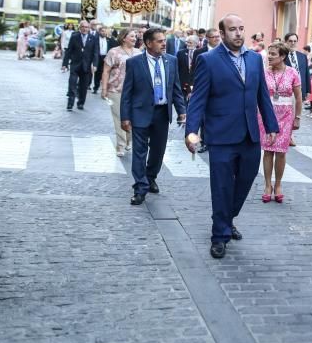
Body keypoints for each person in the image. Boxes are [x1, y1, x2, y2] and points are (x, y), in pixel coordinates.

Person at [185, 14, 278, 259]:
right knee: (222, 186)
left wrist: (271, 125)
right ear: (223, 34)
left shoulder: (255, 59)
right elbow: (198, 100)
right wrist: (191, 131)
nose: (238, 33)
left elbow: (262, 95)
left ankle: (227, 218)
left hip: (250, 135)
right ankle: (219, 236)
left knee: (245, 182)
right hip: (221, 136)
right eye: (233, 30)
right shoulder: (208, 60)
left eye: (241, 28)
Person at [121, 28, 186, 205]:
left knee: (158, 151)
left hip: (162, 113)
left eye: (164, 40)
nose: (164, 43)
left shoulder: (171, 61)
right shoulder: (134, 63)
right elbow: (127, 92)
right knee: (140, 152)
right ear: (148, 43)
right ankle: (140, 188)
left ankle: (150, 177)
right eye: (159, 41)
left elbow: (176, 89)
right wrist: (125, 117)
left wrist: (182, 110)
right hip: (140, 112)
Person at [258, 41, 301, 204]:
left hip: (286, 115)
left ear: (282, 56)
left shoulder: (292, 73)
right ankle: (267, 185)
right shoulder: (263, 72)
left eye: (273, 54)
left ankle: (278, 185)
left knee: (281, 152)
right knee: (268, 150)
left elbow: (298, 97)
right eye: (269, 53)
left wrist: (297, 117)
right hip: (266, 114)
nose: (269, 57)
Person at [101, 28, 139, 157]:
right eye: (132, 36)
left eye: (135, 37)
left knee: (133, 118)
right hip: (115, 90)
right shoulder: (114, 52)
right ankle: (120, 145)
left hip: (135, 91)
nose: (135, 38)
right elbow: (106, 71)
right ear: (124, 38)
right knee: (119, 118)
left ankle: (130, 140)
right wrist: (104, 89)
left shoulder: (139, 53)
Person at [62, 20, 99, 111]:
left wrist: (95, 64)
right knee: (72, 84)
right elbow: (69, 51)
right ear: (80, 28)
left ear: (89, 28)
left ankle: (81, 103)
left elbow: (95, 53)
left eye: (86, 27)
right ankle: (70, 103)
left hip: (86, 67)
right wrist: (65, 64)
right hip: (75, 65)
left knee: (83, 86)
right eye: (83, 27)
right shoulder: (74, 36)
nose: (85, 29)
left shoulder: (93, 38)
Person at [283, 32, 311, 101]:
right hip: (286, 91)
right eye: (290, 41)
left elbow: (306, 74)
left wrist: (308, 90)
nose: (293, 43)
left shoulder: (303, 56)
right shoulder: (282, 56)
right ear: (285, 42)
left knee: (299, 111)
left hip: (301, 90)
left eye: (295, 41)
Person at [92, 26, 117, 94]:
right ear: (99, 32)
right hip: (98, 57)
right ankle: (96, 87)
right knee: (98, 73)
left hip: (106, 58)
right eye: (102, 31)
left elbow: (116, 45)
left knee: (106, 73)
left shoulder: (109, 39)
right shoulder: (95, 39)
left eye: (105, 31)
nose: (104, 32)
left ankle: (105, 88)